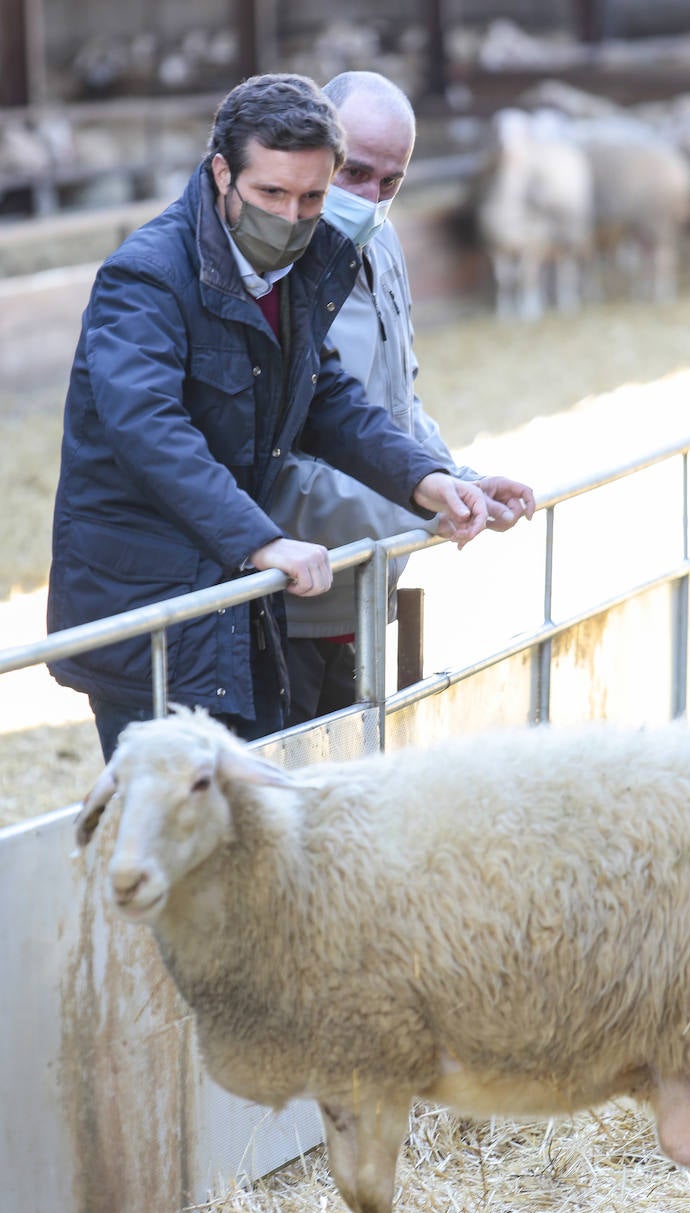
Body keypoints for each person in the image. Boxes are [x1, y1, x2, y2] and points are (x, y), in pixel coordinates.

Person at [46, 72, 494, 762]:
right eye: (271, 194)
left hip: (235, 604)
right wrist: (262, 541)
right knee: (170, 835)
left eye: (312, 196)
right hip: (155, 612)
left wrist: (426, 479)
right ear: (223, 173)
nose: (291, 218)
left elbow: (325, 395)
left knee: (263, 824)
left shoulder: (300, 266)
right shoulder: (146, 279)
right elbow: (149, 431)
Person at [268, 70, 535, 723]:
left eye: (391, 183)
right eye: (354, 174)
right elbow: (277, 449)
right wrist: (423, 510)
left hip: (368, 585)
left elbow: (397, 399)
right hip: (286, 598)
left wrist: (454, 477)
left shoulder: (380, 244)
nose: (370, 197)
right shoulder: (274, 264)